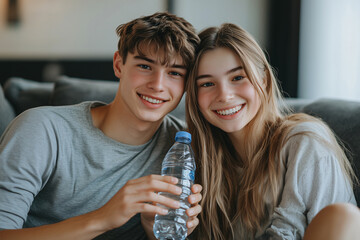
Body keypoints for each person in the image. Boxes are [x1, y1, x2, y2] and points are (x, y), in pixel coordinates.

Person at [0, 12, 202, 240]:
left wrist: (154, 230)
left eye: (174, 73)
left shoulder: (187, 147)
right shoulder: (42, 130)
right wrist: (103, 218)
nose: (157, 85)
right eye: (145, 66)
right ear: (119, 65)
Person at [185, 23, 360, 239]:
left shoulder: (304, 141)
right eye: (207, 84)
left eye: (238, 78)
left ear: (264, 80)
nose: (224, 95)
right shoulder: (200, 161)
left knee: (341, 216)